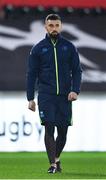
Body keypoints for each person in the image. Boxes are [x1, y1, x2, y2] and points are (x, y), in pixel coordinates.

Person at [26, 14, 82, 173]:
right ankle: (52, 164)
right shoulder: (38, 48)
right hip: (46, 95)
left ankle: (56, 158)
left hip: (65, 96)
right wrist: (30, 98)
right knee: (49, 127)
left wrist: (75, 90)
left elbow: (77, 71)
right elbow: (31, 74)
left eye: (57, 25)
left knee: (63, 131)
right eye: (51, 26)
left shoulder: (69, 47)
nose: (54, 28)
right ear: (45, 27)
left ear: (61, 26)